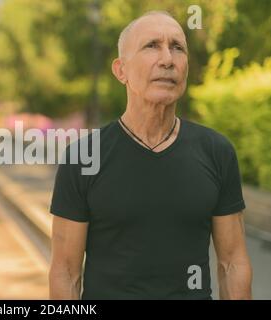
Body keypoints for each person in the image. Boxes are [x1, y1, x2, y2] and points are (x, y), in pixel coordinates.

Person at [49, 10, 252, 300]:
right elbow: (66, 272)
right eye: (151, 46)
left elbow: (232, 262)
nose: (168, 59)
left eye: (177, 47)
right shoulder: (82, 157)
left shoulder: (217, 152)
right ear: (121, 71)